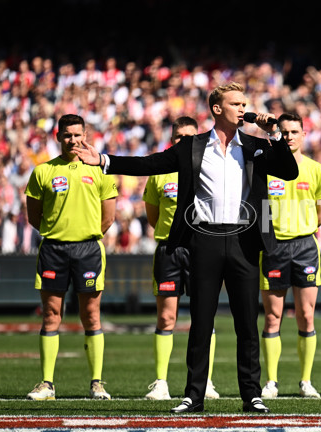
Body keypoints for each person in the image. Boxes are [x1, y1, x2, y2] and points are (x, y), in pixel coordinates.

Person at [73, 82, 298, 413]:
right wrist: (105, 160)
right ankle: (194, 395)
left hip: (244, 241)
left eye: (244, 103)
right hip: (203, 240)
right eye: (235, 103)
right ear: (217, 109)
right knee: (201, 321)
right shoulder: (193, 146)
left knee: (247, 323)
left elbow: (289, 171)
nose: (243, 108)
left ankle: (251, 395)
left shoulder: (255, 145)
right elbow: (150, 164)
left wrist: (275, 134)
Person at [25, 114, 118, 400]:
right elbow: (34, 216)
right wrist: (60, 231)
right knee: (51, 315)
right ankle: (47, 384)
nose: (73, 140)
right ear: (58, 137)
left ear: (85, 135)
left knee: (91, 315)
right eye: (67, 135)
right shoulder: (43, 171)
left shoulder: (101, 170)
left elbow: (108, 217)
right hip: (53, 250)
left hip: (88, 250)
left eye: (77, 135)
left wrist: (83, 233)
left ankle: (97, 383)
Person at [143, 116, 219, 400]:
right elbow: (153, 216)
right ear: (171, 139)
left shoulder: (209, 169)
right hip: (169, 250)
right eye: (178, 138)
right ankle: (161, 381)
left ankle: (206, 380)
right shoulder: (159, 172)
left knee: (204, 317)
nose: (184, 142)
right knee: (166, 316)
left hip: (203, 248)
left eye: (190, 137)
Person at [259, 112, 321, 399]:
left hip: (304, 247)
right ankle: (272, 382)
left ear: (303, 135)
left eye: (294, 132)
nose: (288, 136)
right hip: (273, 247)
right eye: (284, 132)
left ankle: (305, 381)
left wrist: (301, 228)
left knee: (306, 315)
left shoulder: (316, 170)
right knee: (272, 317)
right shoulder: (266, 167)